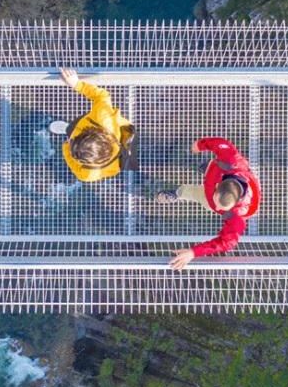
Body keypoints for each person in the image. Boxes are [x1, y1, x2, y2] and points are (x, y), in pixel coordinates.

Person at [157, 137, 261, 271]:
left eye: (222, 209)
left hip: (213, 186)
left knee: (194, 193)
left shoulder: (237, 216)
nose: (217, 209)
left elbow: (227, 243)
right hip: (216, 175)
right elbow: (221, 144)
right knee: (209, 176)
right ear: (219, 186)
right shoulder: (231, 161)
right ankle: (205, 167)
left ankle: (179, 192)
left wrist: (193, 252)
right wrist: (201, 145)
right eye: (217, 203)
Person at [49, 68, 137, 182]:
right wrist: (77, 84)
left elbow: (72, 163)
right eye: (74, 140)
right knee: (74, 127)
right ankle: (67, 128)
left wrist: (66, 147)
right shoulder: (102, 118)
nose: (71, 142)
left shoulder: (88, 174)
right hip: (112, 129)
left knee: (72, 128)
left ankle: (67, 128)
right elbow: (101, 95)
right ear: (90, 131)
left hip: (97, 129)